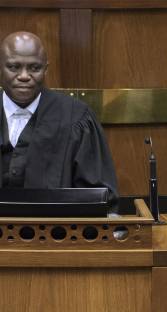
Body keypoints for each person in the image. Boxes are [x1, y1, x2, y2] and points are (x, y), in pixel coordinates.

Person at [0, 31, 119, 207]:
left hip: (58, 232)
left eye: (34, 68)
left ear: (46, 69)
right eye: (14, 67)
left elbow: (98, 199)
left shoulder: (76, 117)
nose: (24, 76)